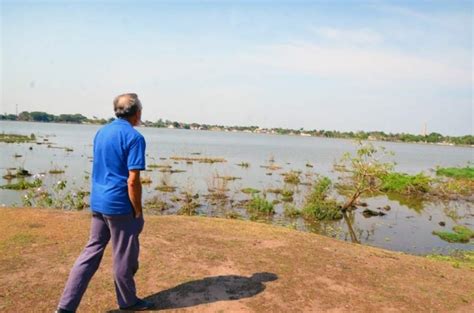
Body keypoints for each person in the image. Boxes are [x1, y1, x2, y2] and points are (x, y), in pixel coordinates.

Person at [56, 93, 154, 312]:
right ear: (137, 113)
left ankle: (65, 307)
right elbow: (133, 180)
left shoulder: (101, 132)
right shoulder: (135, 138)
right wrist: (137, 210)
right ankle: (128, 302)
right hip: (120, 206)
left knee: (90, 253)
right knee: (124, 257)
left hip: (99, 203)